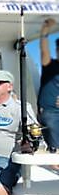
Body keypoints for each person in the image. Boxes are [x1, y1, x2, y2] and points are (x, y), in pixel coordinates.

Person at [38, 18, 59, 153]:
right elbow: (44, 51)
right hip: (49, 112)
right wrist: (45, 31)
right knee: (51, 125)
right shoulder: (51, 66)